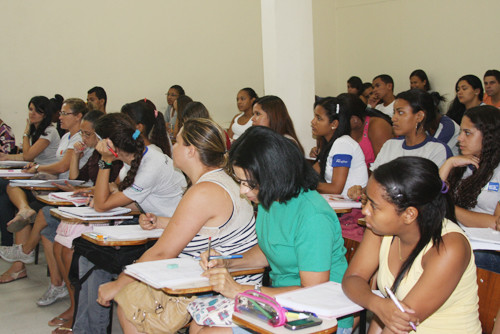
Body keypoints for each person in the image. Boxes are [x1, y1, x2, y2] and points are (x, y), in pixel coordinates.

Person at [94, 118, 259, 334]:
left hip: (220, 285)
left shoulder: (204, 191)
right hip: (215, 277)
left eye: (178, 141)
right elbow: (204, 227)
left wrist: (117, 284)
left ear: (191, 151)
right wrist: (161, 222)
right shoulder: (219, 179)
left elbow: (162, 252)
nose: (173, 146)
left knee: (129, 302)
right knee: (133, 298)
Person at [189, 126, 352, 334]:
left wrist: (242, 290)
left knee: (211, 333)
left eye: (249, 184)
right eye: (240, 182)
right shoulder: (270, 199)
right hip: (284, 302)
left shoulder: (312, 216)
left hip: (321, 315)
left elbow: (314, 292)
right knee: (198, 324)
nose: (243, 191)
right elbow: (270, 250)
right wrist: (226, 262)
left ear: (273, 175)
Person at [70, 112, 187, 334]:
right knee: (86, 254)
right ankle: (82, 330)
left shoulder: (150, 162)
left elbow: (103, 204)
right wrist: (104, 197)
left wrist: (105, 162)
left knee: (95, 262)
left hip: (173, 238)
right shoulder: (135, 158)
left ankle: (89, 331)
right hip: (152, 226)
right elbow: (118, 197)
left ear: (109, 144)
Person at [343, 157, 481, 333]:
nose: (365, 211)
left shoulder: (449, 247)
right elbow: (352, 279)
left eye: (374, 206)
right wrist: (378, 304)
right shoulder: (379, 227)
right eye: (366, 201)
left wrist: (383, 309)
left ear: (409, 214)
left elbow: (400, 323)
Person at [0, 98, 92, 284]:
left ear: (78, 116)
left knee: (40, 217)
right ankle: (21, 259)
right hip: (56, 185)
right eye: (61, 113)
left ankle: (24, 254)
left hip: (68, 189)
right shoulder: (66, 136)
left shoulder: (79, 137)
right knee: (13, 189)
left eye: (65, 114)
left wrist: (37, 169)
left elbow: (61, 167)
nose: (60, 117)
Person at [439, 105, 500, 273]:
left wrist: (449, 208)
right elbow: (430, 196)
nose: (460, 139)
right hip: (458, 237)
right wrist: (448, 164)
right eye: (460, 132)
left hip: (487, 249)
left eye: (467, 133)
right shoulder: (462, 164)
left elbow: (496, 223)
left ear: (489, 136)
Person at [311, 96, 368, 196]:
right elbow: (312, 172)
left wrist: (306, 184)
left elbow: (335, 188)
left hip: (351, 209)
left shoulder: (343, 144)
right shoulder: (329, 144)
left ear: (334, 124)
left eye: (319, 118)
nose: (313, 122)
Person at [0, 95, 61, 164]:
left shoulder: (49, 131)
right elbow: (29, 155)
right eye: (31, 109)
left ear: (45, 114)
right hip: (39, 170)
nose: (32, 113)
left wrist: (26, 134)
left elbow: (28, 157)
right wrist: (5, 156)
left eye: (37, 111)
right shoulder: (36, 131)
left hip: (49, 173)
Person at [338, 93, 393, 169]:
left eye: (341, 120)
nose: (339, 124)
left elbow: (385, 166)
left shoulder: (377, 126)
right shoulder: (347, 128)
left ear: (355, 119)